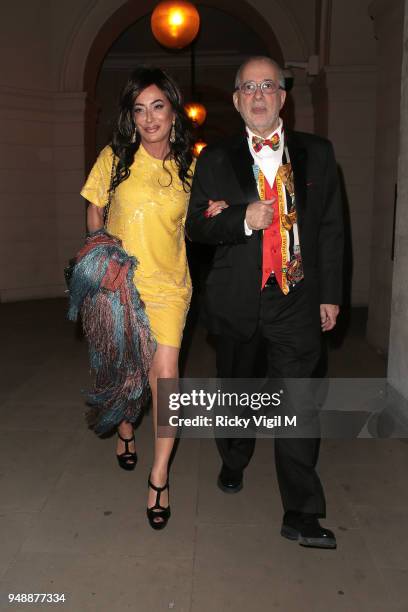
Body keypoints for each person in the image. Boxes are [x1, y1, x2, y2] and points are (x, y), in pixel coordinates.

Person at [186, 56, 343, 548]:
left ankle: (301, 511)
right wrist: (241, 218)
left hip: (297, 298)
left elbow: (333, 228)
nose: (258, 95)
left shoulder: (318, 153)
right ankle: (234, 456)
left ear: (282, 96)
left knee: (299, 404)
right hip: (239, 299)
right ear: (236, 100)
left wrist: (332, 295)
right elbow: (197, 227)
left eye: (268, 85)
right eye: (248, 87)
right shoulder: (213, 158)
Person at [81, 66, 194, 530]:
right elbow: (95, 207)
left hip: (170, 288)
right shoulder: (115, 157)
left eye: (158, 107)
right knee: (122, 373)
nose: (149, 119)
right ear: (132, 116)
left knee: (165, 377)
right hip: (119, 284)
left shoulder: (191, 165)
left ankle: (160, 474)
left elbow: (203, 222)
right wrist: (102, 253)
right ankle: (125, 427)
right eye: (139, 109)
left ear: (173, 111)